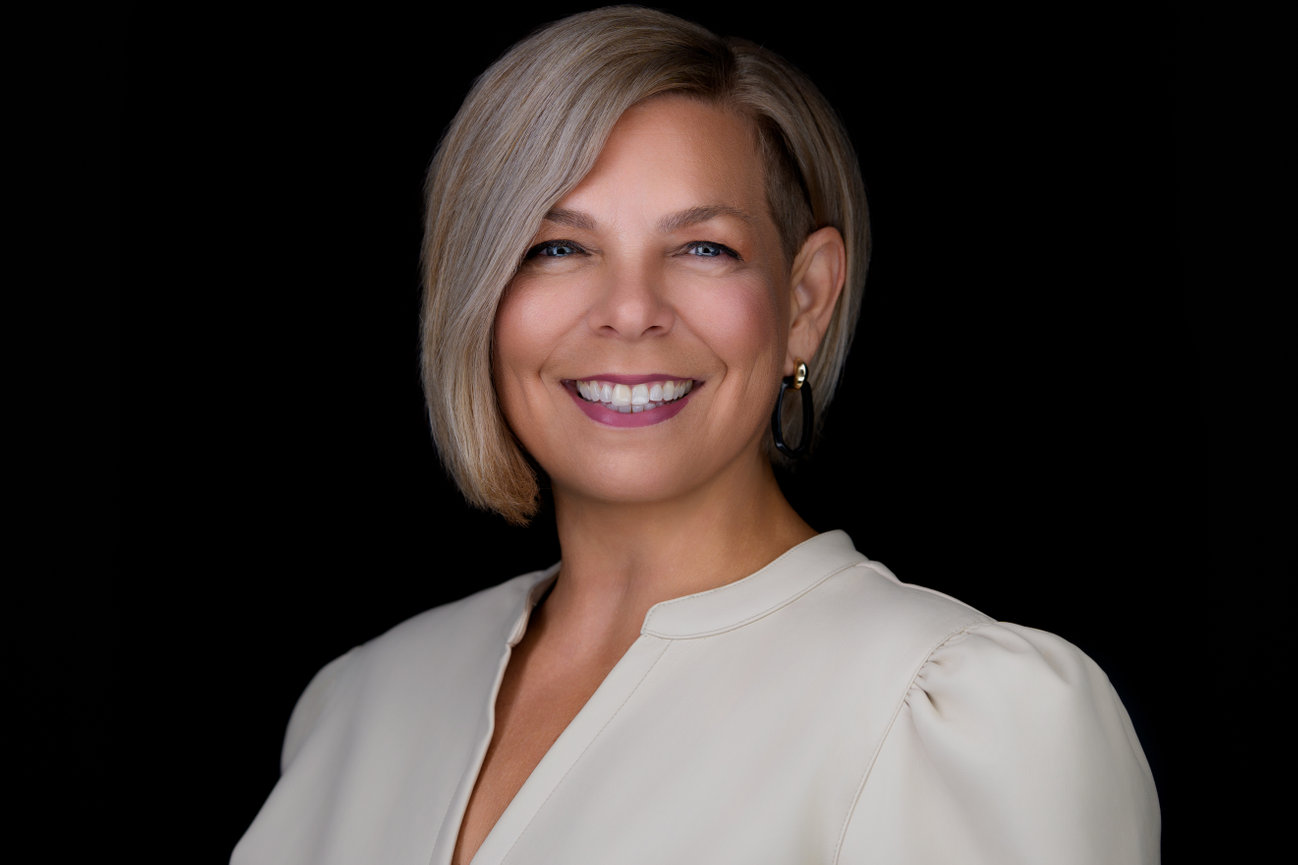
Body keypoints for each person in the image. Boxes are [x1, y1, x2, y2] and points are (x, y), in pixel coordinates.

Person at [232, 7, 1159, 864]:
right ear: (478, 298)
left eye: (702, 247)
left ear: (804, 300)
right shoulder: (357, 705)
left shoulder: (966, 717)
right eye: (556, 247)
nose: (630, 312)